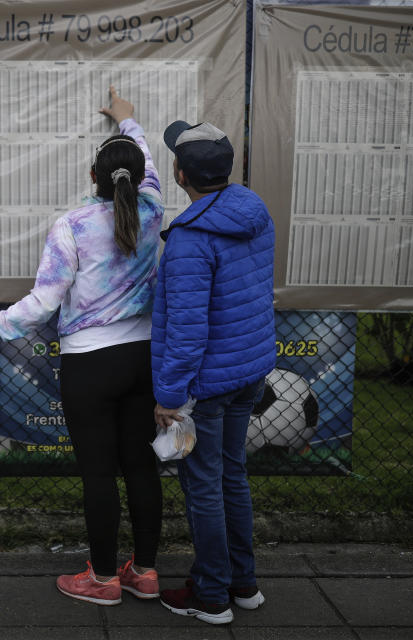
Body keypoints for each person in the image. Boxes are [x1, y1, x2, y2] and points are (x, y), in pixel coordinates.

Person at [0, 86, 165, 606]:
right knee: (141, 467)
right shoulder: (155, 207)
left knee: (99, 472)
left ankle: (103, 579)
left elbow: (44, 301)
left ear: (93, 178)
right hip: (144, 359)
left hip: (89, 366)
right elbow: (149, 164)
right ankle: (147, 573)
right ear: (137, 180)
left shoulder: (71, 226)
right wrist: (129, 121)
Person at [151, 120, 276, 624]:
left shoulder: (188, 241)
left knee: (203, 485)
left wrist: (168, 397)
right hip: (248, 371)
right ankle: (243, 585)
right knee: (232, 478)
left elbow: (185, 332)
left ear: (180, 175)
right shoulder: (252, 210)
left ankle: (211, 596)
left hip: (207, 383)